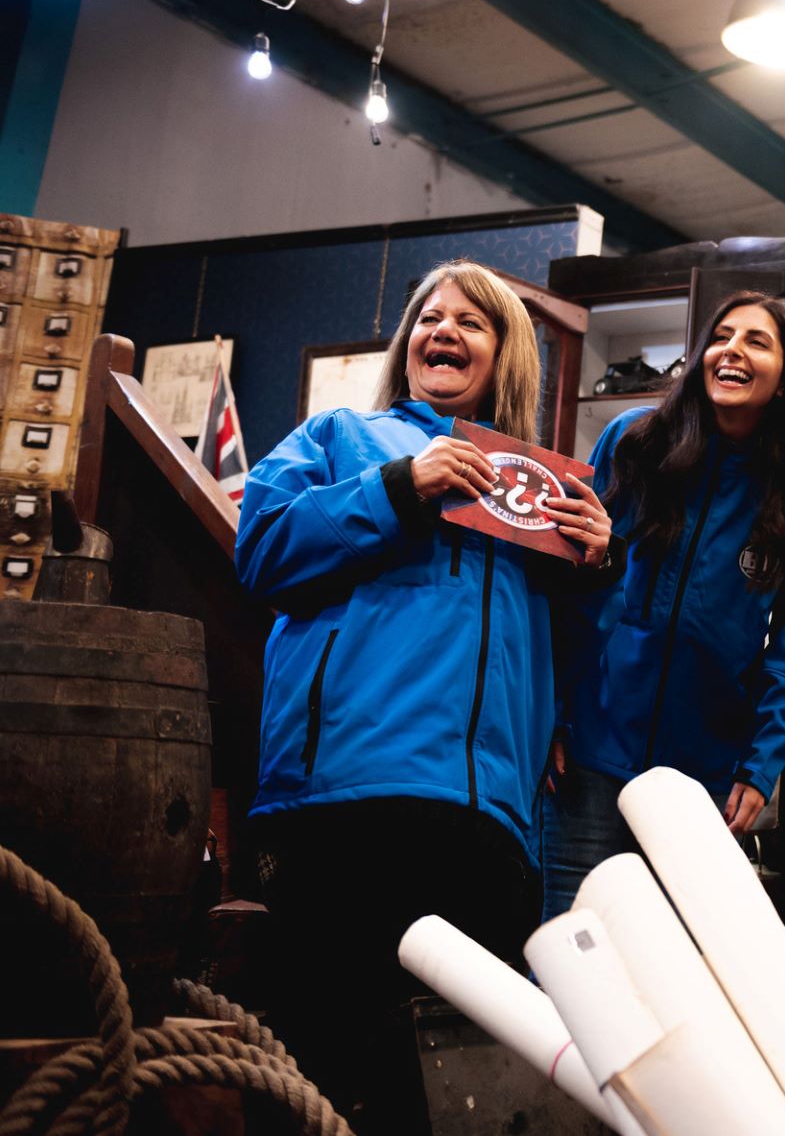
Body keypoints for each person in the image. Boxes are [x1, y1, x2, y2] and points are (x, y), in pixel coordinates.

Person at [236, 260, 617, 1133]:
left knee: (459, 1098)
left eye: (470, 322)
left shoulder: (542, 488)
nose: (441, 331)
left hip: (488, 828)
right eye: (428, 318)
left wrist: (599, 568)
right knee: (310, 1076)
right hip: (342, 807)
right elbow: (261, 550)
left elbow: (566, 662)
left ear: (506, 355)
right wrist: (402, 486)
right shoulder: (339, 437)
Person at [542, 290, 785, 918]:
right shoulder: (634, 443)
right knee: (570, 955)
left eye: (756, 341)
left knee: (668, 971)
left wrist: (760, 768)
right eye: (721, 337)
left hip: (700, 774)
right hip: (593, 747)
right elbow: (571, 584)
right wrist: (556, 716)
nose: (731, 351)